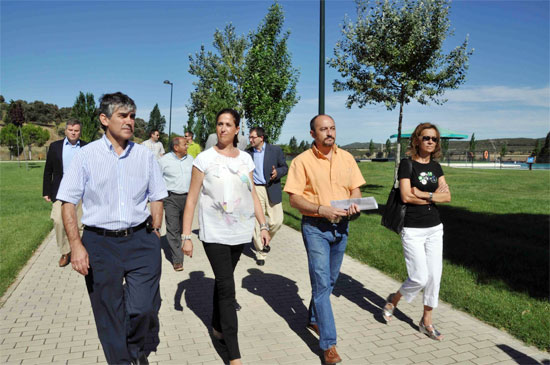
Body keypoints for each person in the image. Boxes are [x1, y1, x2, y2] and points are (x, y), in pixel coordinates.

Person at [57, 92, 168, 364]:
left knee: (143, 308)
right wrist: (76, 246)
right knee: (108, 310)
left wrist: (155, 231)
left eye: (132, 116)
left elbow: (157, 196)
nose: (129, 121)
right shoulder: (86, 156)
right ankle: (122, 360)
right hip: (100, 243)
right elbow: (68, 203)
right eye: (123, 116)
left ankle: (133, 349)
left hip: (141, 240)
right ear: (105, 119)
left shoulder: (144, 155)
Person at [181, 108, 270, 365]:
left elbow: (252, 194)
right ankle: (234, 354)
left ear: (237, 129)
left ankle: (216, 325)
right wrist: (186, 235)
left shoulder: (246, 159)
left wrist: (263, 226)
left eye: (228, 124)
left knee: (224, 281)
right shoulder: (204, 159)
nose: (223, 128)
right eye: (219, 124)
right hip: (215, 233)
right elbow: (192, 199)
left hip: (240, 232)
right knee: (228, 289)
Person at [284, 114, 365, 365]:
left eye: (332, 128)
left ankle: (313, 318)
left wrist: (355, 203)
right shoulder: (301, 162)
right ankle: (329, 345)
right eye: (323, 129)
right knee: (321, 284)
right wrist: (321, 209)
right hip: (316, 227)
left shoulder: (347, 158)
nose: (329, 133)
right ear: (313, 134)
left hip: (342, 228)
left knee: (329, 281)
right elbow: (294, 199)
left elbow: (356, 189)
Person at [381, 122, 451, 341]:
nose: (431, 142)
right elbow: (405, 196)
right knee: (420, 277)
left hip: (434, 228)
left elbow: (447, 197)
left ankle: (426, 321)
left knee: (434, 277)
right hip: (412, 228)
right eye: (426, 138)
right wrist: (430, 195)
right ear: (417, 140)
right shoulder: (407, 164)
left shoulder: (436, 167)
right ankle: (394, 299)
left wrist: (424, 194)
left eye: (434, 139)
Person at [42, 119, 87, 267]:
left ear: (80, 132)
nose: (73, 133)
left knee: (79, 224)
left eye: (76, 131)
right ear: (66, 131)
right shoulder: (55, 147)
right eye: (70, 130)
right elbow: (48, 171)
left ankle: (77, 252)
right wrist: (46, 191)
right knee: (58, 221)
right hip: (60, 191)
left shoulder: (87, 147)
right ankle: (65, 251)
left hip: (81, 192)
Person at [246, 126, 288, 266]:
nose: (250, 139)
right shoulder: (247, 153)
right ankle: (261, 252)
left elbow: (284, 167)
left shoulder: (275, 150)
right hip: (255, 190)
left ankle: (266, 237)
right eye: (249, 137)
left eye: (253, 137)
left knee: (277, 220)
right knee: (258, 223)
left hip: (272, 187)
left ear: (261, 138)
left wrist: (278, 173)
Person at [159, 136, 193, 272]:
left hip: (188, 198)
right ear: (176, 147)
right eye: (185, 144)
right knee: (173, 229)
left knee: (183, 227)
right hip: (171, 198)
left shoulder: (191, 160)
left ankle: (185, 244)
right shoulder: (163, 161)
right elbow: (156, 179)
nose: (187, 146)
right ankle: (177, 260)